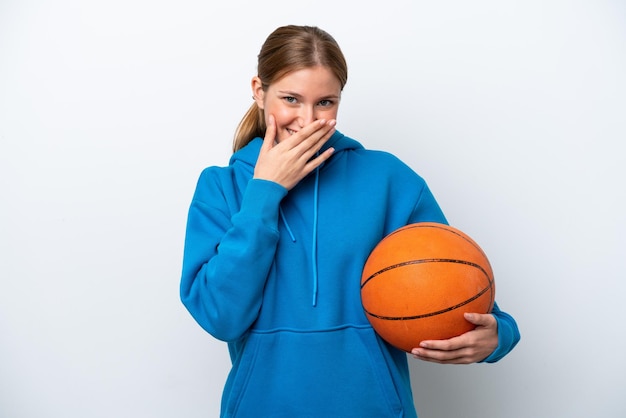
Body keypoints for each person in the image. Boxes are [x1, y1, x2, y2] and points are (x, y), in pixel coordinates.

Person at [180, 25, 520, 418]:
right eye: (290, 99)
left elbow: (459, 289)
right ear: (259, 91)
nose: (307, 121)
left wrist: (500, 334)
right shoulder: (221, 186)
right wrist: (265, 193)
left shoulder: (388, 180)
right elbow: (219, 316)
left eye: (325, 102)